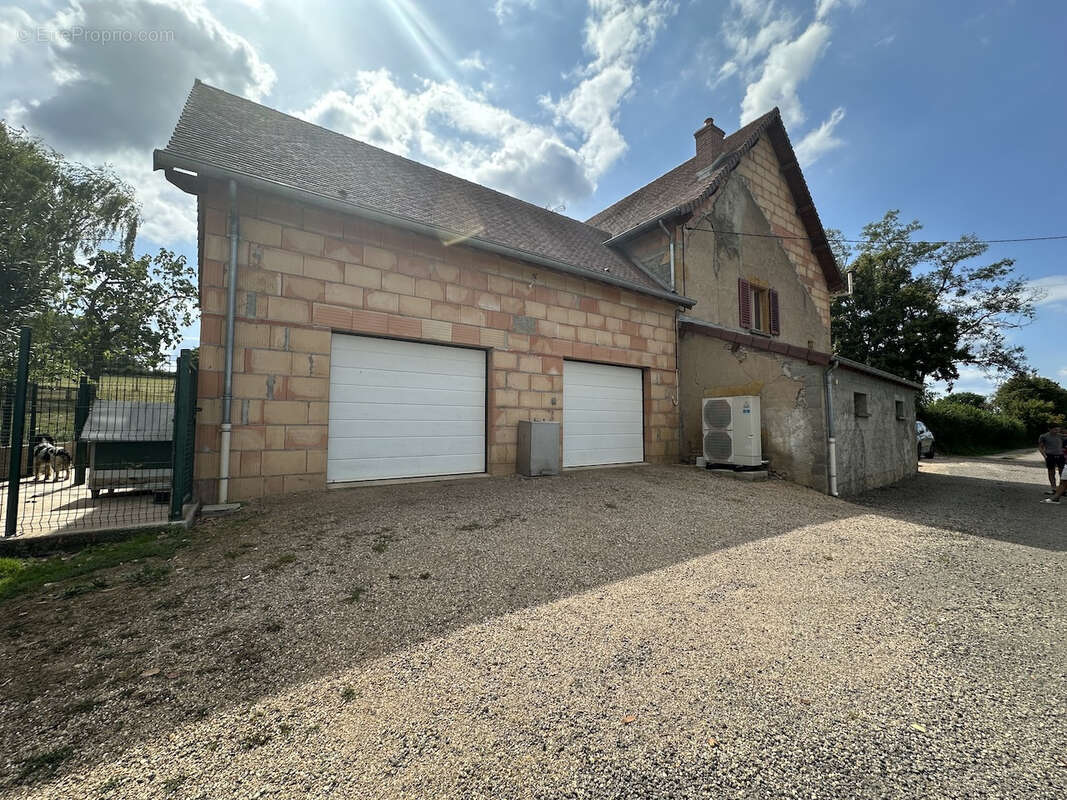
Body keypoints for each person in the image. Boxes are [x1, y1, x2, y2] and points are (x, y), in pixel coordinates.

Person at [1038, 424, 1065, 493]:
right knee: (1051, 472)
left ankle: (1063, 489)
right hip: (1050, 456)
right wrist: (1045, 456)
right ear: (1050, 429)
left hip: (1060, 456)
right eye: (1055, 429)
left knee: (1062, 473)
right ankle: (1054, 488)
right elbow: (1040, 447)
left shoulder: (1061, 436)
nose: (1057, 431)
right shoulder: (1043, 436)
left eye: (1058, 429)